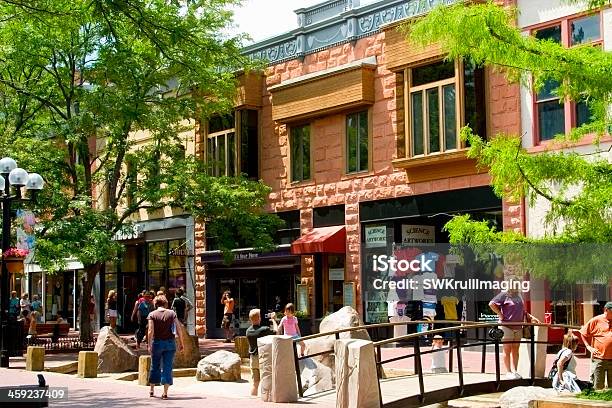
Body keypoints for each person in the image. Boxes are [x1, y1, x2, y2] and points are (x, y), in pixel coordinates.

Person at [489, 285, 539, 379]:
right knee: (507, 349)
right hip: (506, 326)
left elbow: (522, 310)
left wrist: (531, 317)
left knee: (516, 349)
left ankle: (515, 371)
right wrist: (500, 314)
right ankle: (508, 371)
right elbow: (491, 303)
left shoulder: (519, 296)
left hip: (518, 326)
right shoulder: (504, 295)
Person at [147, 295, 184, 400]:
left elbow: (150, 330)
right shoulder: (172, 313)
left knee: (155, 365)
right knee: (167, 366)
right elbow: (179, 328)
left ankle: (152, 389)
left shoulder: (152, 314)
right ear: (165, 303)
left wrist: (149, 344)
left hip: (157, 343)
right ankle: (165, 392)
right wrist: (181, 343)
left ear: (155, 304)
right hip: (170, 343)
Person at [579, 301, 612, 389]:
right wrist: (588, 347)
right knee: (598, 386)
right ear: (606, 310)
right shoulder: (596, 320)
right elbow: (583, 333)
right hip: (599, 359)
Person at [246, 308, 278, 396]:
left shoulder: (248, 331)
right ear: (259, 318)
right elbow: (277, 332)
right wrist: (274, 320)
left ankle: (253, 400)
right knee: (267, 382)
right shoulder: (264, 330)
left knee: (255, 383)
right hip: (262, 358)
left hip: (253, 359)